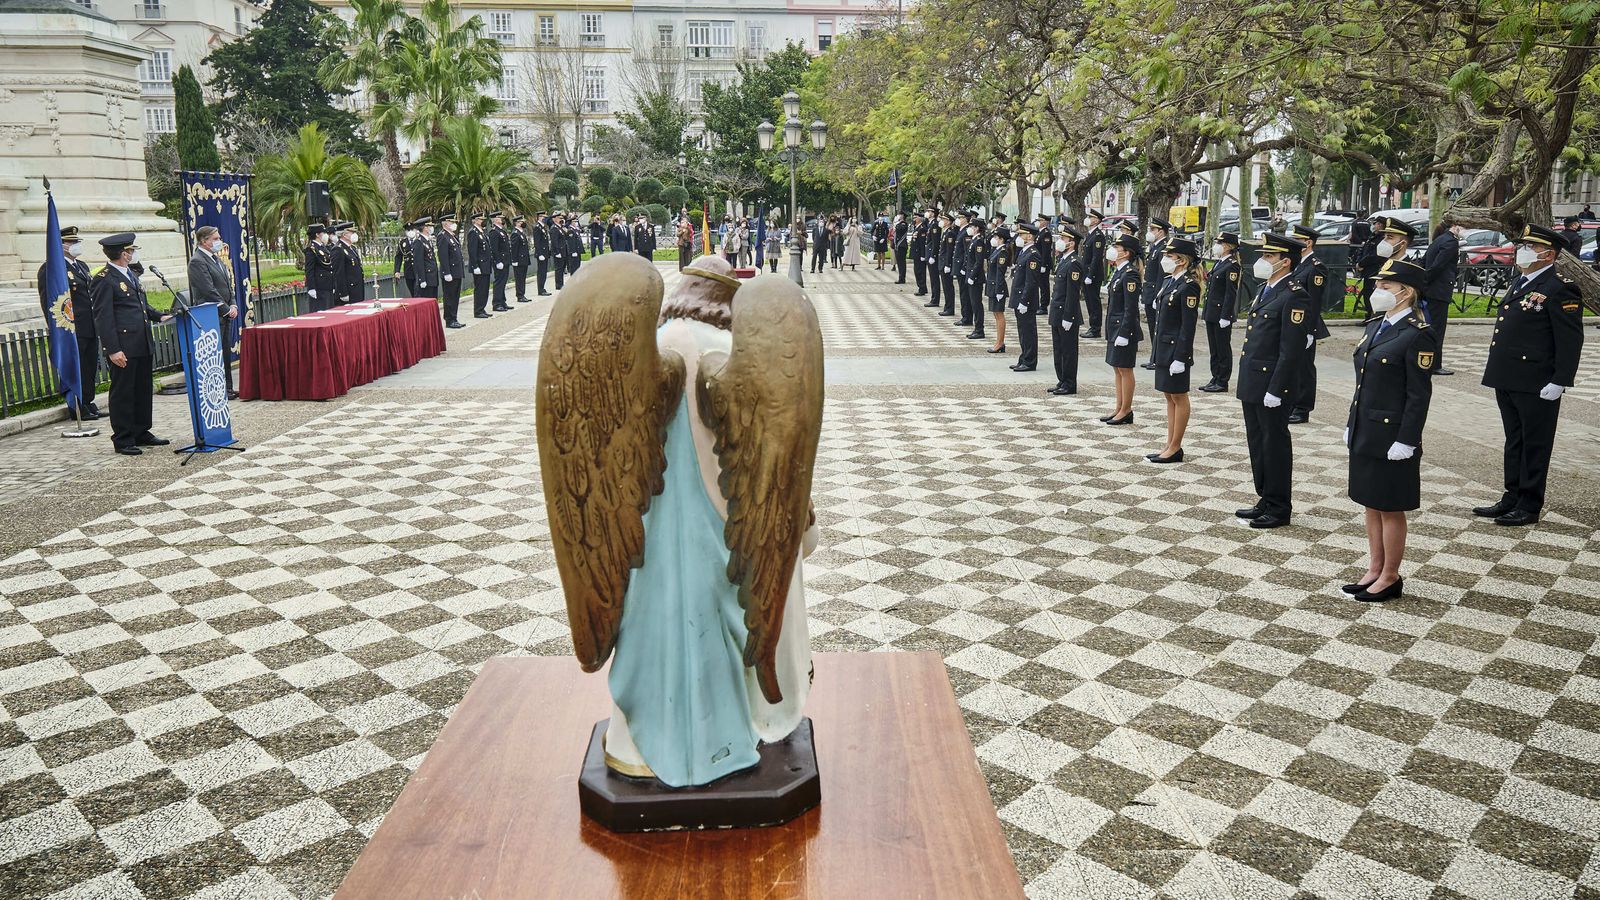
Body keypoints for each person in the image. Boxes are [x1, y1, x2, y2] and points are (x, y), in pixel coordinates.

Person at [1472, 223, 1585, 527]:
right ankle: (1512, 495)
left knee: (1535, 443)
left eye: (1530, 246)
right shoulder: (1521, 281)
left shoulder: (1560, 288)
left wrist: (1560, 380)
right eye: (1522, 245)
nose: (1522, 250)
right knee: (1515, 440)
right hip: (1509, 376)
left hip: (1537, 380)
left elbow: (1569, 340)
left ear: (1548, 254)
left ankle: (1529, 503)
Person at [1343, 258, 1437, 602]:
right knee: (1370, 503)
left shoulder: (1417, 335)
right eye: (1377, 285)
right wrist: (1351, 423)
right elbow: (1364, 382)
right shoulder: (1376, 326)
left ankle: (1390, 576)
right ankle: (1374, 568)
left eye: (1385, 286)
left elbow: (1418, 395)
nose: (1377, 291)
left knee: (1390, 507)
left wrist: (1407, 440)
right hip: (1366, 429)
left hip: (1393, 435)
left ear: (1405, 292)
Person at [1236, 232, 1314, 529]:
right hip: (1253, 380)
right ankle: (1265, 498)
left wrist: (1277, 388)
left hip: (1272, 384)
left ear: (1285, 261)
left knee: (1274, 444)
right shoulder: (1265, 289)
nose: (1263, 260)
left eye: (1269, 256)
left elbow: (1291, 349)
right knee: (1257, 442)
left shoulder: (1294, 295)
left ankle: (1280, 506)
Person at [89, 233, 170, 455]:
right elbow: (103, 317)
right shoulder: (104, 278)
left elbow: (141, 306)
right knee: (123, 392)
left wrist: (160, 316)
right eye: (131, 250)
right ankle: (123, 438)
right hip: (123, 346)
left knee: (142, 389)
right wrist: (113, 349)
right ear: (124, 254)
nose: (134, 254)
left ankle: (141, 431)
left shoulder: (130, 274)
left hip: (141, 342)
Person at [39, 225, 101, 419]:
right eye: (71, 242)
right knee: (76, 367)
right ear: (60, 245)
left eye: (76, 241)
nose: (75, 245)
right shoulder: (51, 269)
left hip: (89, 326)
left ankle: (87, 401)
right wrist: (58, 328)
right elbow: (49, 302)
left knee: (89, 366)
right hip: (71, 328)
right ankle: (76, 406)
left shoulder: (81, 266)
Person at [1148, 239, 1201, 463]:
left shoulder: (1189, 286)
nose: (1165, 259)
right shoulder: (1170, 281)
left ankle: (1176, 447)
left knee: (1178, 396)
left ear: (1181, 260)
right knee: (1169, 396)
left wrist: (1181, 357)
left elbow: (1188, 327)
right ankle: (1169, 444)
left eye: (1169, 256)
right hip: (1163, 348)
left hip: (1175, 351)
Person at [1287, 224, 1331, 424]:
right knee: (1291, 365)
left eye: (1297, 240)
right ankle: (1291, 403)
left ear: (1308, 242)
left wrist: (1310, 331)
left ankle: (1302, 408)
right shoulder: (1297, 264)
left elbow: (1314, 301)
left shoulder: (1315, 267)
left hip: (1305, 325)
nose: (1294, 243)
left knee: (1304, 368)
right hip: (1292, 323)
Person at [1101, 232, 1143, 425]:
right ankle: (1119, 407)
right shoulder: (1119, 272)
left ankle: (1126, 410)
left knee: (1125, 369)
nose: (1113, 250)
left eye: (1117, 248)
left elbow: (1130, 308)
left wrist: (1125, 333)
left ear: (1126, 253)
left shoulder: (1130, 274)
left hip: (1124, 329)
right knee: (1117, 369)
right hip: (1115, 327)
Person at [1199, 231, 1240, 392]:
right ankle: (1215, 377)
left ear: (1228, 246)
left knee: (1222, 348)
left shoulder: (1232, 265)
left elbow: (1230, 293)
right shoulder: (1219, 263)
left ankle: (1222, 381)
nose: (1217, 246)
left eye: (1220, 243)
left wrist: (1226, 315)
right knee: (1214, 348)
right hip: (1212, 312)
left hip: (1221, 313)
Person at [1046, 224, 1084, 395]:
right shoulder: (1064, 260)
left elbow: (1072, 293)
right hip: (1057, 311)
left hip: (1067, 314)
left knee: (1068, 351)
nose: (1060, 241)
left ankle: (1069, 383)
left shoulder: (1074, 263)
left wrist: (1068, 316)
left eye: (1063, 238)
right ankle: (1061, 380)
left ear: (1072, 242)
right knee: (1058, 349)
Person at [1419, 219, 1461, 374]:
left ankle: (1426, 361)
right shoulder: (1450, 242)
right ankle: (1434, 364)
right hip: (1439, 290)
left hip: (1432, 290)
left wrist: (1423, 282)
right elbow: (1438, 266)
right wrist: (1426, 281)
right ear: (1454, 226)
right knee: (1437, 329)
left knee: (1430, 326)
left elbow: (1424, 262)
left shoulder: (1438, 240)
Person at [1009, 224, 1045, 372]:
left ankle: (1030, 361)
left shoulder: (1033, 254)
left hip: (1026, 300)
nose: (1019, 237)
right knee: (1022, 330)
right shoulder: (1024, 252)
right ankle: (1024, 357)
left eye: (1021, 234)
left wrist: (1024, 301)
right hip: (1019, 297)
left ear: (1029, 236)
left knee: (1028, 331)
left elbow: (1031, 281)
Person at [187, 225, 240, 322]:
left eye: (219, 238)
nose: (219, 241)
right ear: (204, 241)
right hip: (212, 315)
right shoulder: (197, 261)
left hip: (226, 315)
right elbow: (207, 290)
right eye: (215, 239)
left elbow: (227, 283)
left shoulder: (216, 258)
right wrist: (226, 310)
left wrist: (233, 304)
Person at [1139, 218, 1171, 369]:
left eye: (1153, 229)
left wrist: (1158, 295)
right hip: (1149, 291)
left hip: (1154, 292)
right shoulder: (1155, 247)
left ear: (1161, 231)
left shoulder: (1163, 248)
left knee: (1156, 327)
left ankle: (1158, 358)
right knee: (1152, 326)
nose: (1150, 232)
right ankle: (1154, 357)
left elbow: (1161, 275)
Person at [982, 224, 1008, 349]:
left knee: (999, 315)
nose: (994, 239)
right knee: (996, 314)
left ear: (1001, 239)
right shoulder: (996, 250)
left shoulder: (1002, 252)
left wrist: (999, 290)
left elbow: (1000, 273)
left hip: (998, 287)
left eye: (996, 237)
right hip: (993, 286)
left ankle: (1000, 343)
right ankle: (998, 342)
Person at [1081, 209, 1106, 338]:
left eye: (1090, 217)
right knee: (1089, 301)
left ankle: (1096, 329)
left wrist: (1090, 275)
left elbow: (1096, 258)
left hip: (1093, 274)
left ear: (1096, 220)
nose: (1088, 219)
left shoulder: (1098, 236)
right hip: (1087, 273)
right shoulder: (1090, 234)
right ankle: (1092, 326)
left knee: (1094, 301)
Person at [436, 213, 464, 328]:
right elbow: (443, 256)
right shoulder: (443, 236)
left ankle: (454, 317)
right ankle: (449, 319)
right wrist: (446, 272)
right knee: (449, 297)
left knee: (455, 296)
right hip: (450, 272)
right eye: (452, 222)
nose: (454, 224)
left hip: (456, 271)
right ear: (445, 223)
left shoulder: (451, 235)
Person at [303, 223, 337, 312]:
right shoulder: (312, 249)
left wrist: (333, 285)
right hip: (320, 286)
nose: (326, 235)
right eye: (323, 232)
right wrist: (311, 288)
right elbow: (309, 270)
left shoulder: (322, 247)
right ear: (317, 234)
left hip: (327, 285)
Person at [333, 222, 364, 305]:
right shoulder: (338, 249)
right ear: (344, 234)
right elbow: (338, 273)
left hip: (357, 288)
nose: (354, 235)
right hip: (349, 290)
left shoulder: (352, 248)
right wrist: (343, 293)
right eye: (352, 232)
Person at [467, 211, 491, 318]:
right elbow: (472, 251)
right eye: (481, 219)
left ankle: (482, 308)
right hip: (480, 266)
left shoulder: (482, 232)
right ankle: (478, 310)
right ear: (476, 221)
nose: (483, 221)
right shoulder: (473, 232)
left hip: (485, 265)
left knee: (485, 288)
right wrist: (475, 266)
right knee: (480, 289)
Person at [411, 217, 439, 301]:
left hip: (432, 278)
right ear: (425, 228)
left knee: (433, 301)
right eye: (430, 226)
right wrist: (422, 279)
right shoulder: (419, 242)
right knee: (427, 301)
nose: (432, 228)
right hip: (426, 278)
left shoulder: (427, 241)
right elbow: (419, 262)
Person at [488, 211, 512, 312]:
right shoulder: (494, 232)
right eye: (500, 218)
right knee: (499, 283)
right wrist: (498, 261)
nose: (502, 219)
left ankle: (502, 302)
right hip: (500, 261)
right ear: (495, 220)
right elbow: (494, 249)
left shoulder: (501, 231)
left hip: (505, 260)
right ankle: (497, 304)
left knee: (503, 282)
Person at [510, 215, 531, 303]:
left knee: (522, 278)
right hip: (519, 260)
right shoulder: (515, 233)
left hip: (524, 259)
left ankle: (522, 294)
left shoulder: (521, 232)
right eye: (522, 222)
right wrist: (514, 260)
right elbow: (514, 248)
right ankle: (520, 295)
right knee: (519, 278)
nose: (524, 223)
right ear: (517, 223)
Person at [533, 211, 553, 296]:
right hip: (541, 253)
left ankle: (542, 288)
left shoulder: (543, 227)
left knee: (544, 272)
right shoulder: (537, 227)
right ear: (539, 217)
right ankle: (540, 290)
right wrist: (540, 253)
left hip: (545, 253)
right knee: (541, 272)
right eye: (543, 217)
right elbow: (537, 242)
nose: (545, 218)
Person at [395, 220, 417, 296]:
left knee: (418, 292)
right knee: (413, 292)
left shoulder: (419, 240)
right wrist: (397, 271)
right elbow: (398, 257)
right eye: (408, 230)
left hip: (419, 271)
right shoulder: (402, 242)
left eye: (412, 229)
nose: (410, 231)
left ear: (415, 230)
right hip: (409, 271)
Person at [892, 213, 908, 283]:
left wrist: (896, 224)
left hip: (902, 246)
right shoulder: (899, 224)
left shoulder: (904, 224)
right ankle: (901, 277)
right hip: (898, 246)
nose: (898, 215)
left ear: (903, 216)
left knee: (902, 263)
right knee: (899, 263)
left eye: (900, 214)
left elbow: (900, 229)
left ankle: (902, 278)